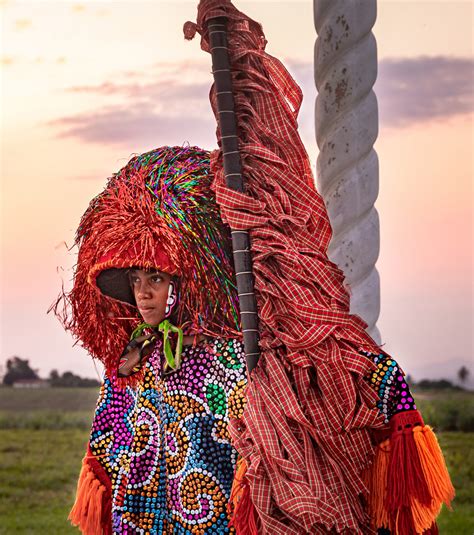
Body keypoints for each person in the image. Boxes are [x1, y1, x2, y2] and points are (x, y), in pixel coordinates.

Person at [59, 145, 248, 534]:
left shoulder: (225, 355)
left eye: (156, 279)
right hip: (143, 518)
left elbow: (247, 441)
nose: (143, 293)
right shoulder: (133, 358)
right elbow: (112, 435)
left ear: (181, 283)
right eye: (135, 281)